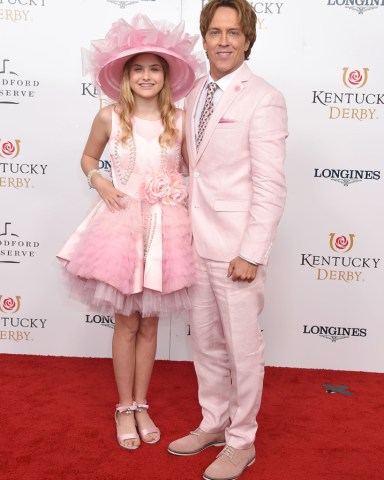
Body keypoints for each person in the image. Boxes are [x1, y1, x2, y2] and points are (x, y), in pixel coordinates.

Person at [57, 15, 204, 450]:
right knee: (125, 322)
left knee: (150, 324)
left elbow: (195, 172)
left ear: (167, 75)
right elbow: (88, 157)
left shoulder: (179, 120)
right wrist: (99, 181)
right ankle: (124, 406)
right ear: (124, 75)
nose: (145, 76)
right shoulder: (109, 116)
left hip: (166, 229)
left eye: (154, 68)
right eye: (137, 69)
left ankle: (143, 403)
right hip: (121, 225)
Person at [167, 1, 288, 479]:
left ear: (247, 39)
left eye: (233, 33)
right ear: (203, 37)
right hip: (196, 242)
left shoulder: (264, 98)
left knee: (243, 349)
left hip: (237, 249)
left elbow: (270, 184)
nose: (223, 41)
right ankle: (214, 423)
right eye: (214, 32)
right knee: (208, 347)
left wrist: (252, 252)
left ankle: (242, 441)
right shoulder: (195, 92)